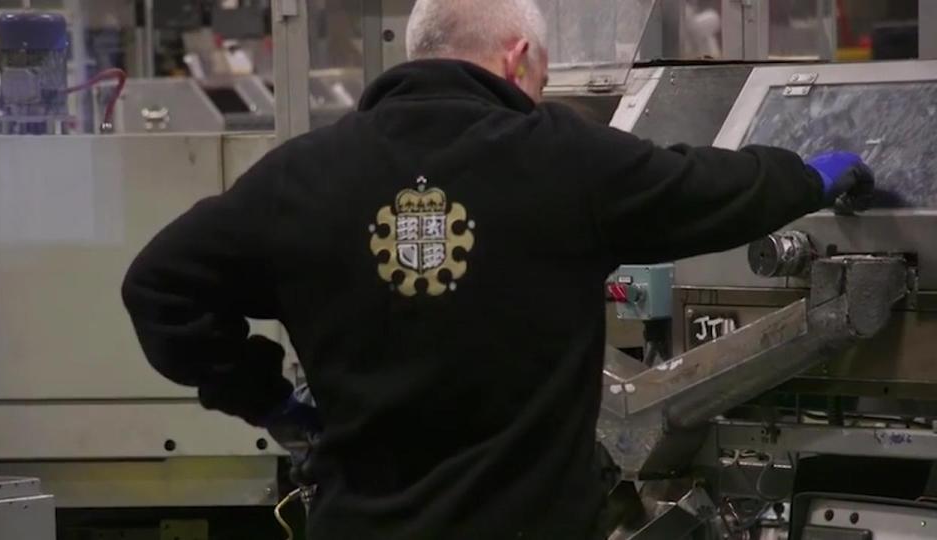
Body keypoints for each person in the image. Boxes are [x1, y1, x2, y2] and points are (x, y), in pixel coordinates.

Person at [121, 0, 874, 538]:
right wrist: (807, 176)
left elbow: (158, 285)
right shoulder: (562, 158)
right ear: (518, 58)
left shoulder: (301, 177)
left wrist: (266, 397)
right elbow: (710, 188)